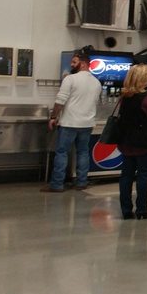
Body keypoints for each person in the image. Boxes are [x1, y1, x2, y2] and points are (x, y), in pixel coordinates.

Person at [43, 51, 102, 192]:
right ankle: (81, 182)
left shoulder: (70, 79)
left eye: (74, 62)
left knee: (62, 152)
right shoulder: (97, 82)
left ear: (83, 64)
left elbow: (60, 101)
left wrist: (53, 117)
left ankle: (57, 184)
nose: (71, 64)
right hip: (87, 124)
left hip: (69, 123)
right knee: (83, 152)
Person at [117, 64, 147, 220]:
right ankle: (142, 209)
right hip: (144, 142)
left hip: (126, 141)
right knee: (143, 176)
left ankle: (126, 210)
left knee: (126, 176)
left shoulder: (124, 96)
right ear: (144, 79)